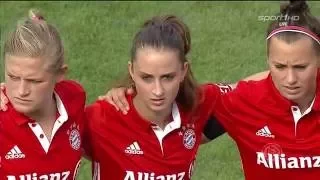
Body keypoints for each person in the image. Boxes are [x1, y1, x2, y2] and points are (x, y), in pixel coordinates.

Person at [101, 1, 320, 179]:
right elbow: (171, 107)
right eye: (279, 66)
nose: (290, 79)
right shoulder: (242, 101)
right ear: (268, 61)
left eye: (301, 67)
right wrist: (131, 92)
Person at [0, 10, 86, 179]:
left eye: (35, 81)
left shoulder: (74, 98)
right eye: (13, 77)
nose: (21, 91)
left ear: (60, 74)